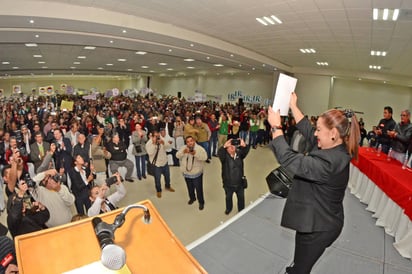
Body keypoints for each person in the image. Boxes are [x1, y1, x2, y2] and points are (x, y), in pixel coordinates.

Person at [267, 92, 360, 274]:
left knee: (301, 268)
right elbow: (308, 131)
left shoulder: (330, 162)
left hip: (320, 227)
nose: (315, 133)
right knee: (300, 259)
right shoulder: (334, 146)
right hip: (315, 218)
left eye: (319, 129)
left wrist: (276, 127)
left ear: (333, 133)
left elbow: (289, 159)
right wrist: (294, 106)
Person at [218, 138, 250, 215]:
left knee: (241, 198)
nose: (232, 147)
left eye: (233, 146)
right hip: (228, 184)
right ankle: (229, 208)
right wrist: (224, 146)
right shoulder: (224, 157)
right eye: (230, 146)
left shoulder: (239, 154)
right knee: (228, 198)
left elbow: (246, 151)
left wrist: (244, 145)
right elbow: (220, 153)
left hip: (239, 183)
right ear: (227, 149)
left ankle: (241, 209)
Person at [176, 136, 208, 210]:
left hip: (196, 173)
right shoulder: (183, 148)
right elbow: (177, 155)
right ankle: (192, 198)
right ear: (186, 143)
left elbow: (205, 158)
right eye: (188, 141)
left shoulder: (199, 148)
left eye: (191, 141)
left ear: (194, 141)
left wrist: (195, 154)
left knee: (199, 189)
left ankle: (201, 202)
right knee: (189, 187)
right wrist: (183, 152)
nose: (190, 143)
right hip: (186, 173)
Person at [146, 130, 175, 198]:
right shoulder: (149, 143)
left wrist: (164, 143)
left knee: (167, 176)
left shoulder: (161, 139)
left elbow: (168, 146)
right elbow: (150, 153)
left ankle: (167, 186)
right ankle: (159, 190)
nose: (158, 137)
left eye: (158, 136)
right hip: (156, 164)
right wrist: (154, 144)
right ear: (152, 137)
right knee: (157, 179)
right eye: (156, 136)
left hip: (164, 162)